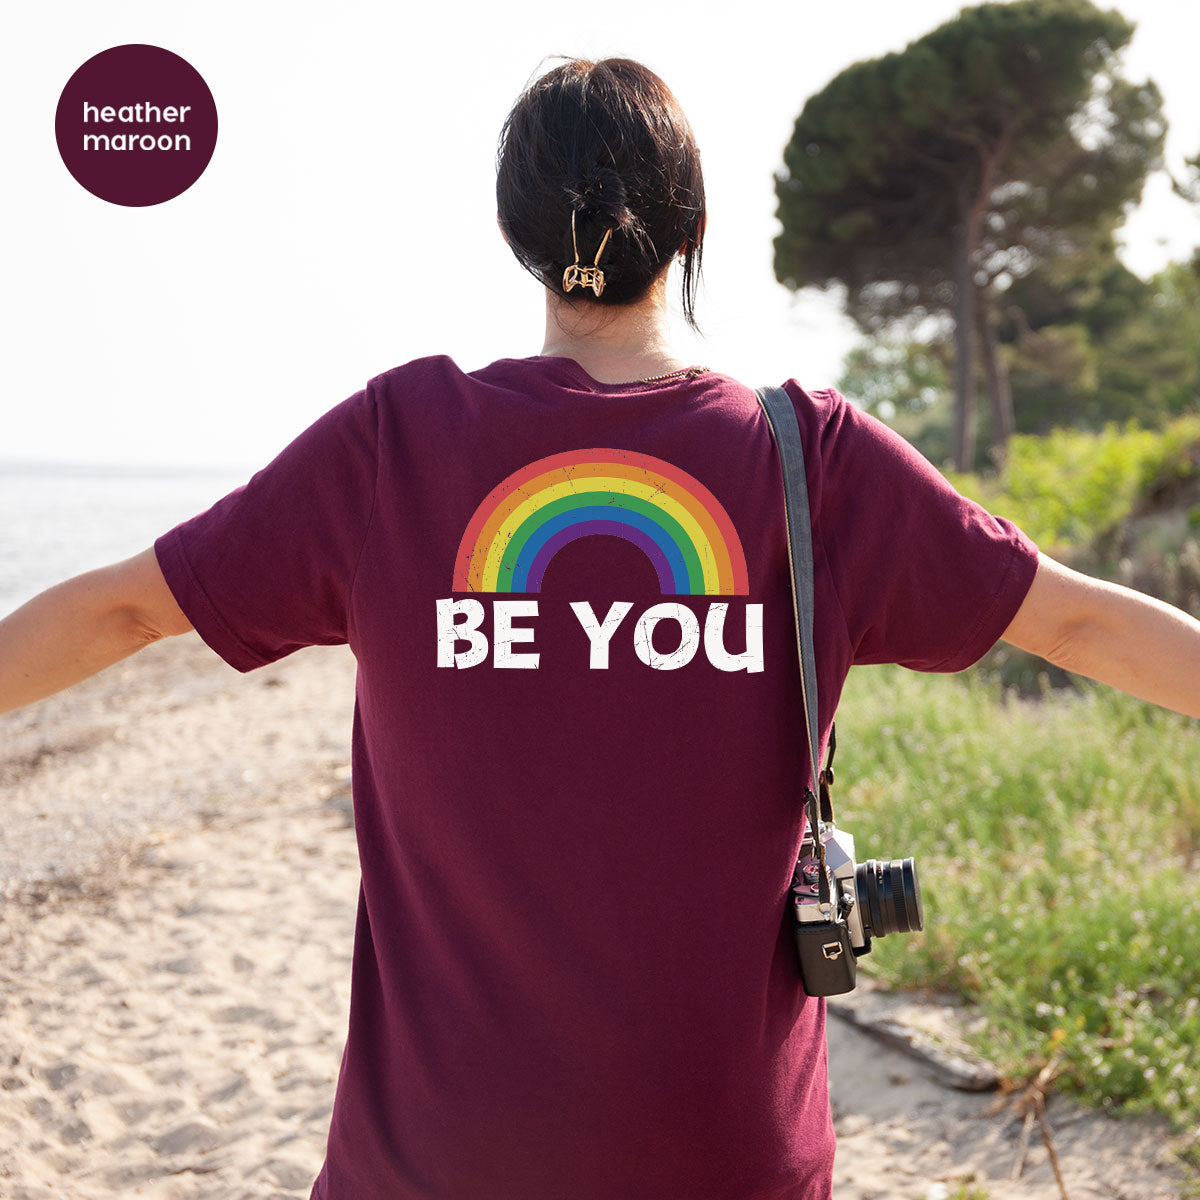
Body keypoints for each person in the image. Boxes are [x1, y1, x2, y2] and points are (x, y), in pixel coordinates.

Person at [1, 56, 1198, 1200]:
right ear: (693, 233)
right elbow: (1080, 625)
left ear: (521, 240)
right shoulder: (812, 461)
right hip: (728, 1161)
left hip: (438, 1162)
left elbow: (124, 604)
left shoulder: (396, 446)